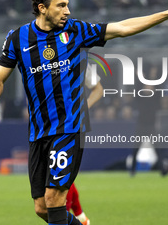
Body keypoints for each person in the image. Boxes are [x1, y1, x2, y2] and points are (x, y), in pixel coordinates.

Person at [0, 0, 168, 225]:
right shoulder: (17, 38)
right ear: (42, 8)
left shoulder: (76, 31)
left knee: (54, 200)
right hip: (39, 132)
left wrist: (166, 14)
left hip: (69, 127)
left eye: (68, 5)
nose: (67, 11)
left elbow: (123, 27)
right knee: (41, 208)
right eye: (61, 5)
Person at [66, 64, 103, 225]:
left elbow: (98, 89)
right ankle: (80, 217)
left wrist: (81, 110)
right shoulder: (40, 52)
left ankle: (68, 216)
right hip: (44, 127)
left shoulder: (81, 58)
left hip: (69, 127)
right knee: (56, 178)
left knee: (60, 177)